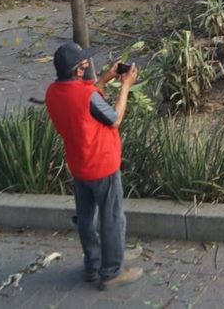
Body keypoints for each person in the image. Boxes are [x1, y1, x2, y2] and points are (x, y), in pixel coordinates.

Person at [44, 42, 143, 289]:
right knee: (112, 218)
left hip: (79, 164)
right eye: (85, 64)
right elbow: (114, 118)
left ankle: (94, 263)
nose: (88, 67)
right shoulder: (86, 96)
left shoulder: (53, 91)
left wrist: (105, 79)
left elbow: (82, 105)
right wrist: (125, 87)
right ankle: (111, 271)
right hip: (102, 164)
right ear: (78, 70)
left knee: (87, 218)